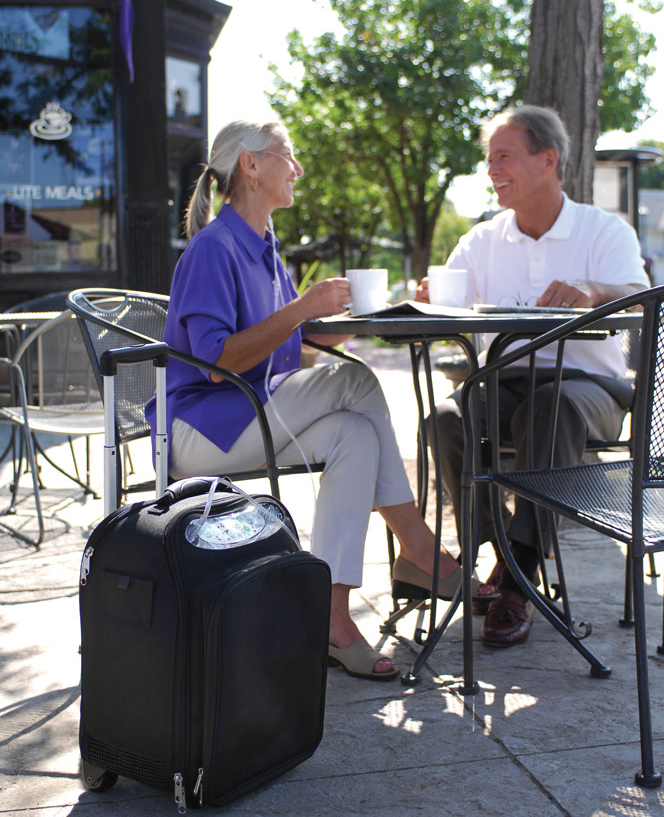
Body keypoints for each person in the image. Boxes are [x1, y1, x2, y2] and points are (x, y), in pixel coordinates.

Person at [146, 119, 495, 682]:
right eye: (288, 156)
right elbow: (217, 363)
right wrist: (304, 306)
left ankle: (333, 619)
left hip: (248, 414)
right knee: (357, 382)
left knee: (354, 435)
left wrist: (365, 315)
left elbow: (294, 339)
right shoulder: (214, 248)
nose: (299, 169)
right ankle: (419, 546)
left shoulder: (264, 247)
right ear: (251, 166)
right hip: (201, 428)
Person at [420, 105, 649, 648]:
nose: (492, 168)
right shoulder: (481, 240)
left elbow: (642, 299)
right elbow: (447, 303)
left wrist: (595, 291)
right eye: (490, 158)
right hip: (504, 383)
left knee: (548, 408)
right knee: (446, 417)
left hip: (590, 390)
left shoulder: (603, 231)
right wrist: (433, 300)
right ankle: (498, 551)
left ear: (549, 160)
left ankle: (517, 576)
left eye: (504, 156)